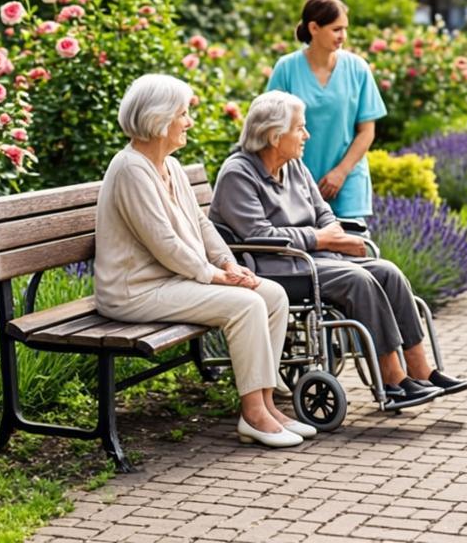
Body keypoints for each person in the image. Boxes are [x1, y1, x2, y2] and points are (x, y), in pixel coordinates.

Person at [212, 91, 467, 409]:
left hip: (311, 258)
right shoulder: (238, 173)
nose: (306, 135)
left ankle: (421, 370)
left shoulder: (293, 166)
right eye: (299, 128)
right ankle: (391, 380)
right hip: (273, 266)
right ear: (274, 135)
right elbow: (258, 234)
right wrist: (324, 239)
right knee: (357, 279)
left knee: (387, 272)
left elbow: (323, 213)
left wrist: (330, 234)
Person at [94, 75, 309, 449]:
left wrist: (228, 263)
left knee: (271, 294)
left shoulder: (170, 166)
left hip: (172, 282)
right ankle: (253, 414)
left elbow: (199, 224)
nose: (189, 121)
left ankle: (266, 403)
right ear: (159, 119)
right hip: (135, 291)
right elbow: (164, 244)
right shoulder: (130, 169)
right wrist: (215, 277)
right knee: (245, 304)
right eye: (183, 113)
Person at [266, 0, 386, 219]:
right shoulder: (286, 68)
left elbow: (367, 131)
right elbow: (271, 128)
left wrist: (340, 173)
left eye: (345, 29)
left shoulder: (357, 68)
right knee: (307, 249)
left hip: (348, 181)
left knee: (355, 248)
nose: (343, 36)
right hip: (297, 182)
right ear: (314, 28)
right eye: (336, 29)